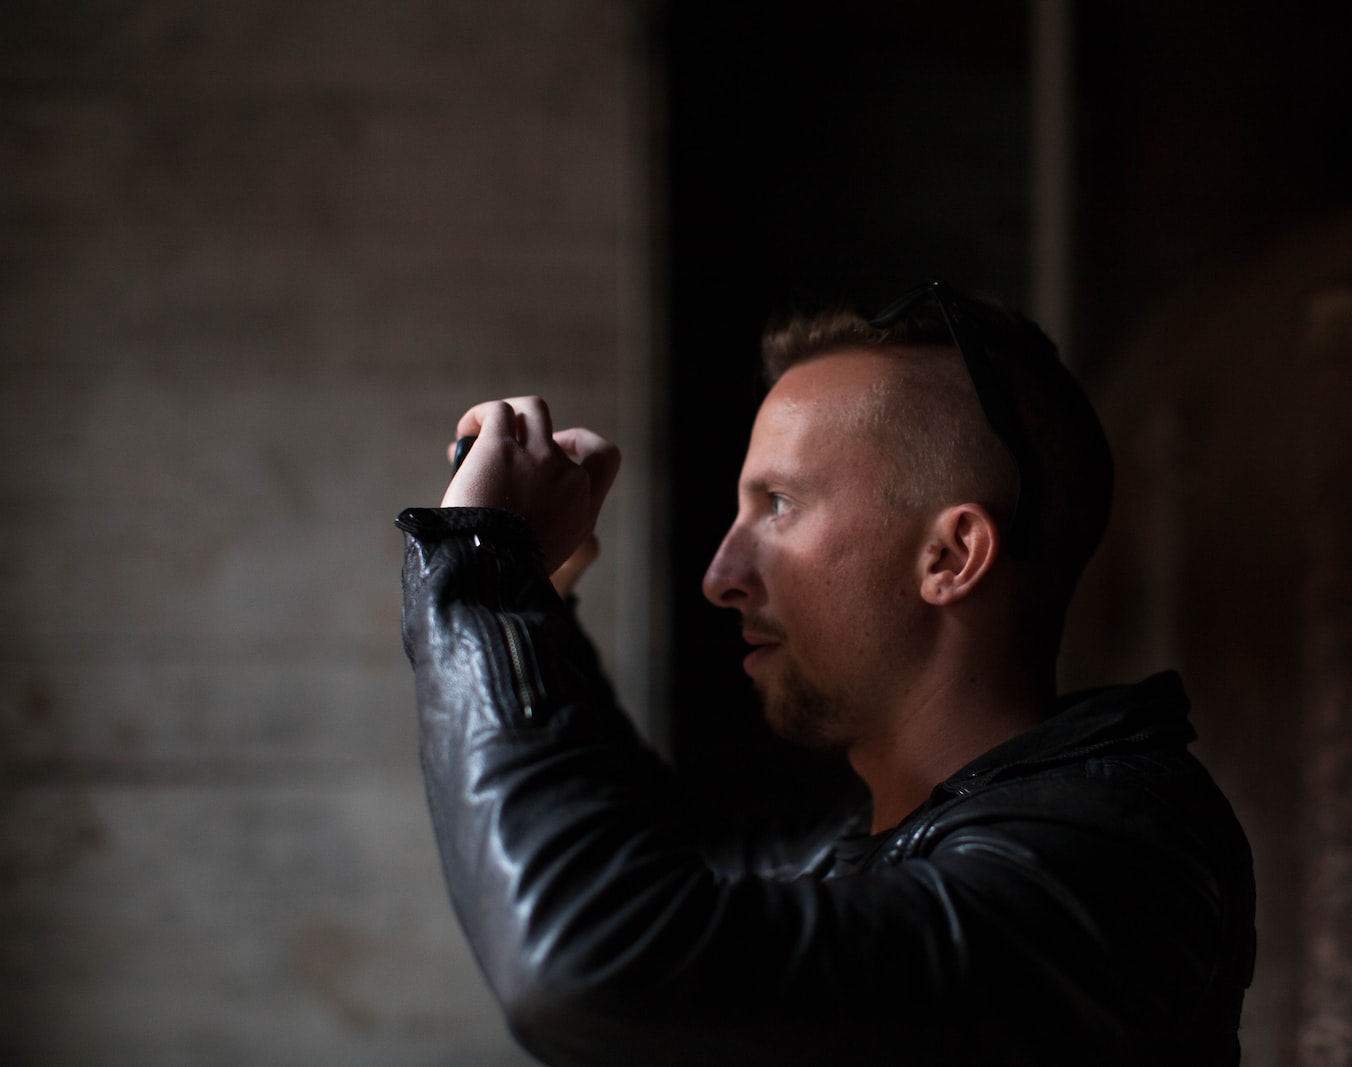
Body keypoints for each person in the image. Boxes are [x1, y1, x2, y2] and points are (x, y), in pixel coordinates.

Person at [396, 283, 1255, 1066]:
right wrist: (534, 591)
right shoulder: (900, 834)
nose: (720, 573)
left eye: (778, 505)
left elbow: (587, 964)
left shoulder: (1105, 866)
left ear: (950, 554)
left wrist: (479, 564)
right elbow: (666, 861)